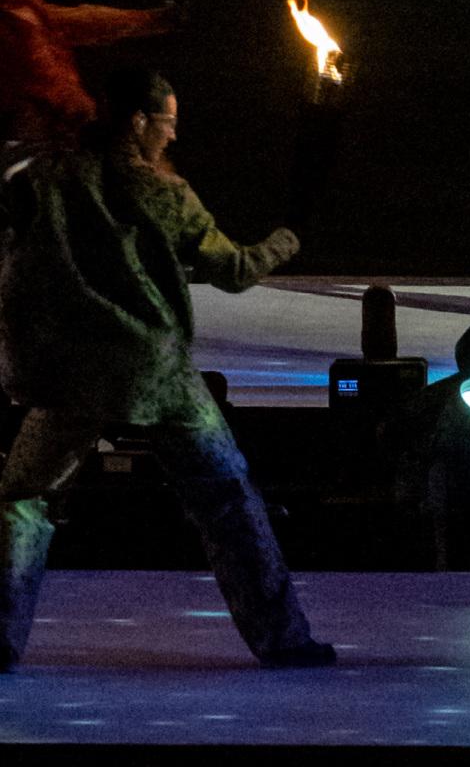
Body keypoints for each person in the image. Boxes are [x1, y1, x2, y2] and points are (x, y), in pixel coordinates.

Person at [0, 63, 332, 671]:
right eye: (168, 123)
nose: (173, 136)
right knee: (229, 498)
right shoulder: (165, 194)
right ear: (138, 121)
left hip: (73, 375)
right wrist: (289, 237)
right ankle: (283, 639)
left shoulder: (44, 180)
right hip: (156, 372)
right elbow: (233, 272)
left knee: (23, 500)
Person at [0, 0, 175, 161]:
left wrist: (156, 19)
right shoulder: (13, 28)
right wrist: (104, 129)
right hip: (27, 156)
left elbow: (90, 21)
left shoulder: (33, 15)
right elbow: (53, 86)